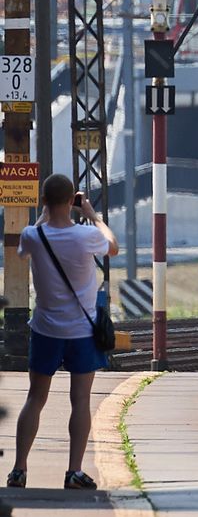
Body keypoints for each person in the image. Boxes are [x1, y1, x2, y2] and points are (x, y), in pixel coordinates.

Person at [6, 173, 118, 490]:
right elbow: (113, 247)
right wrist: (92, 216)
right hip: (82, 332)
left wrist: (48, 211)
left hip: (45, 330)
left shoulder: (32, 235)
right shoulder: (87, 237)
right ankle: (73, 472)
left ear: (44, 201)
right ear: (72, 201)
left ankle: (18, 470)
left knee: (35, 398)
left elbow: (28, 244)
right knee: (80, 400)